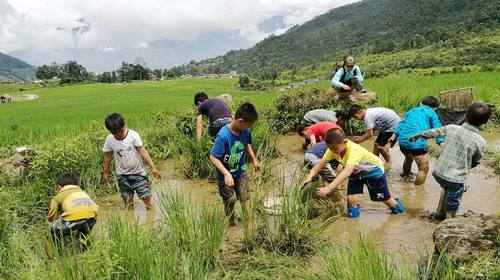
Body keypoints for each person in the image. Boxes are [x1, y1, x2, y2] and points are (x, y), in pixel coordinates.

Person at [408, 102, 491, 220]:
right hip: (456, 178)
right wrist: (467, 165)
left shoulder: (451, 128)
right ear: (486, 122)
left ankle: (439, 212)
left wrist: (419, 135)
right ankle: (448, 222)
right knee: (453, 201)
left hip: (440, 173)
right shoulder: (481, 141)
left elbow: (434, 132)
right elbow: (476, 160)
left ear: (465, 115)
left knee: (446, 186)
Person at [304, 128, 404, 218]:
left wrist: (328, 188)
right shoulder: (332, 150)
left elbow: (347, 171)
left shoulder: (353, 150)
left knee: (384, 199)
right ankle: (353, 219)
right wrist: (310, 175)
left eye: (335, 148)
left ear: (345, 142)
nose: (332, 151)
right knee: (350, 198)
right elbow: (320, 164)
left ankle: (399, 210)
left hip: (374, 173)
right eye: (330, 148)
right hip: (356, 172)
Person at [210, 103, 261, 226]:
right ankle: (231, 224)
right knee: (230, 200)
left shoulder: (246, 131)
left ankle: (249, 224)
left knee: (245, 198)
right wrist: (226, 173)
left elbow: (247, 144)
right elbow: (213, 157)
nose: (250, 127)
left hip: (241, 171)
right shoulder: (223, 136)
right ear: (240, 121)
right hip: (226, 176)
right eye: (249, 124)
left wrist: (254, 160)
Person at [102, 113, 160, 220]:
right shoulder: (110, 139)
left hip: (138, 174)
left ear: (124, 125)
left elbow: (143, 152)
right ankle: (131, 225)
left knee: (146, 197)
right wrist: (105, 173)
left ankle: (152, 222)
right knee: (128, 201)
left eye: (120, 131)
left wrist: (153, 167)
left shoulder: (133, 135)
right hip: (122, 176)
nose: (118, 135)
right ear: (110, 132)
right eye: (115, 133)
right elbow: (108, 158)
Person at [392, 96, 444, 185]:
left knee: (408, 159)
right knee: (423, 168)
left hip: (403, 142)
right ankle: (418, 190)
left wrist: (393, 138)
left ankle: (406, 176)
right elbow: (438, 128)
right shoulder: (431, 112)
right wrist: (440, 142)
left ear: (421, 103)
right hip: (417, 143)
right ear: (435, 108)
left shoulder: (411, 111)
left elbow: (400, 125)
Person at [46, 172, 98, 257]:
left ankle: (56, 254)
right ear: (77, 184)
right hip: (92, 218)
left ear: (59, 187)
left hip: (72, 220)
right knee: (83, 235)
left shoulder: (57, 197)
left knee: (51, 229)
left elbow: (51, 219)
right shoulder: (83, 193)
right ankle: (86, 248)